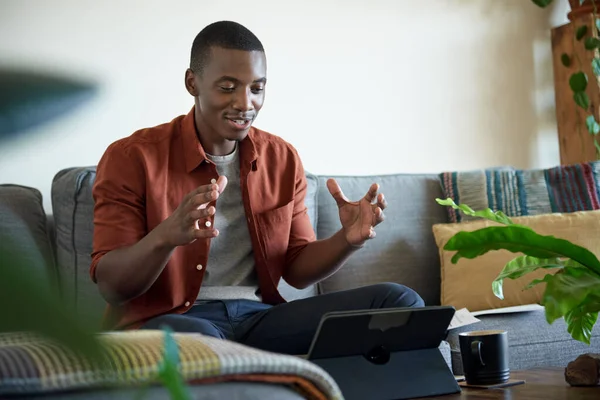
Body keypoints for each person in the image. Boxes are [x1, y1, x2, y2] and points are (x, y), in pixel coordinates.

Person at [91, 20, 424, 355]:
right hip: (173, 319)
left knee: (399, 302)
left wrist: (346, 240)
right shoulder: (132, 157)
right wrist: (165, 236)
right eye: (228, 87)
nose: (245, 103)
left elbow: (296, 269)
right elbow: (113, 286)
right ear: (193, 83)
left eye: (256, 88)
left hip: (259, 321)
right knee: (202, 343)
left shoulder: (281, 158)